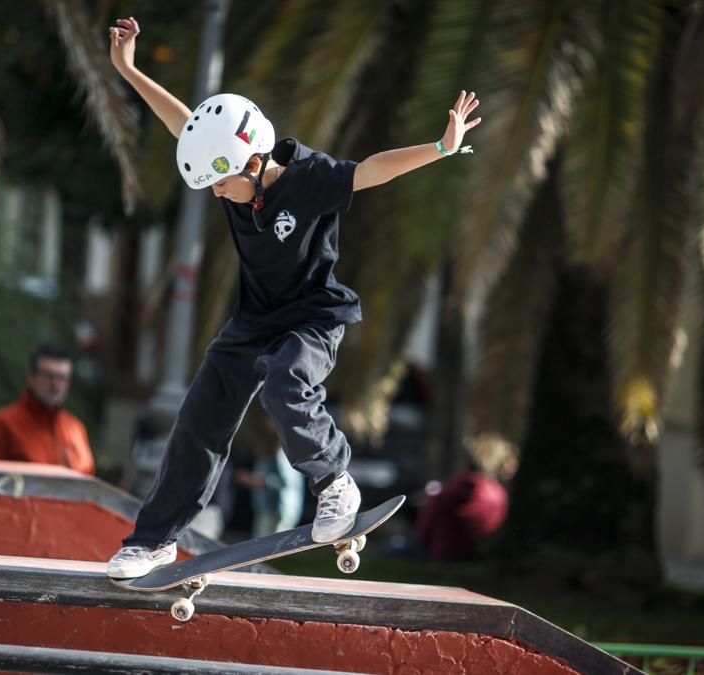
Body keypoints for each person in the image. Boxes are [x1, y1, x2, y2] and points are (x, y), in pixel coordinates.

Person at [104, 16, 482, 579]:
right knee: (198, 417)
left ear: (255, 163)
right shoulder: (232, 170)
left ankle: (336, 483)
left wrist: (439, 147)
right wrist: (129, 71)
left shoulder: (309, 178)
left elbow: (371, 172)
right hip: (253, 320)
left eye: (223, 183)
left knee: (287, 384)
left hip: (312, 317)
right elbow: (186, 127)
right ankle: (154, 540)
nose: (219, 194)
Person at [0, 345, 95, 476]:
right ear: (31, 378)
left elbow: (88, 481)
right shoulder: (0, 425)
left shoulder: (76, 428)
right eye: (49, 376)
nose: (56, 384)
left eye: (62, 377)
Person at [236, 446, 305, 538]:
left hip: (280, 511)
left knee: (273, 549)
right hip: (266, 510)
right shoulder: (264, 454)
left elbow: (288, 483)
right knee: (260, 548)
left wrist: (258, 481)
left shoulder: (281, 453)